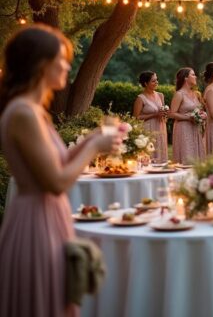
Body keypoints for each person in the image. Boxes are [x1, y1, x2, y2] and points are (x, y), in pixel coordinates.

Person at [0, 25, 121, 317]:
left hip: (48, 215)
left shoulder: (33, 111)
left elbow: (57, 162)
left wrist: (94, 139)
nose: (67, 65)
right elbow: (55, 181)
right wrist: (94, 149)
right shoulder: (23, 113)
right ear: (42, 64)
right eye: (61, 59)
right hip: (35, 221)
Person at [169, 67, 206, 165]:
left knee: (197, 158)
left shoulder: (196, 94)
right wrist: (188, 118)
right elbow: (172, 114)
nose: (196, 76)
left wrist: (203, 115)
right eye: (193, 75)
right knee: (187, 156)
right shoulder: (179, 94)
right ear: (186, 78)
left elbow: (199, 110)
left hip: (195, 128)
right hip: (183, 129)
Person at [132, 70, 168, 163]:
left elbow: (163, 113)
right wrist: (155, 114)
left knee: (161, 152)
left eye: (157, 80)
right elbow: (136, 118)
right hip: (148, 130)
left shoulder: (160, 95)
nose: (157, 82)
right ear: (145, 83)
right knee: (150, 154)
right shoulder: (140, 98)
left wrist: (165, 114)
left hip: (160, 128)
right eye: (153, 81)